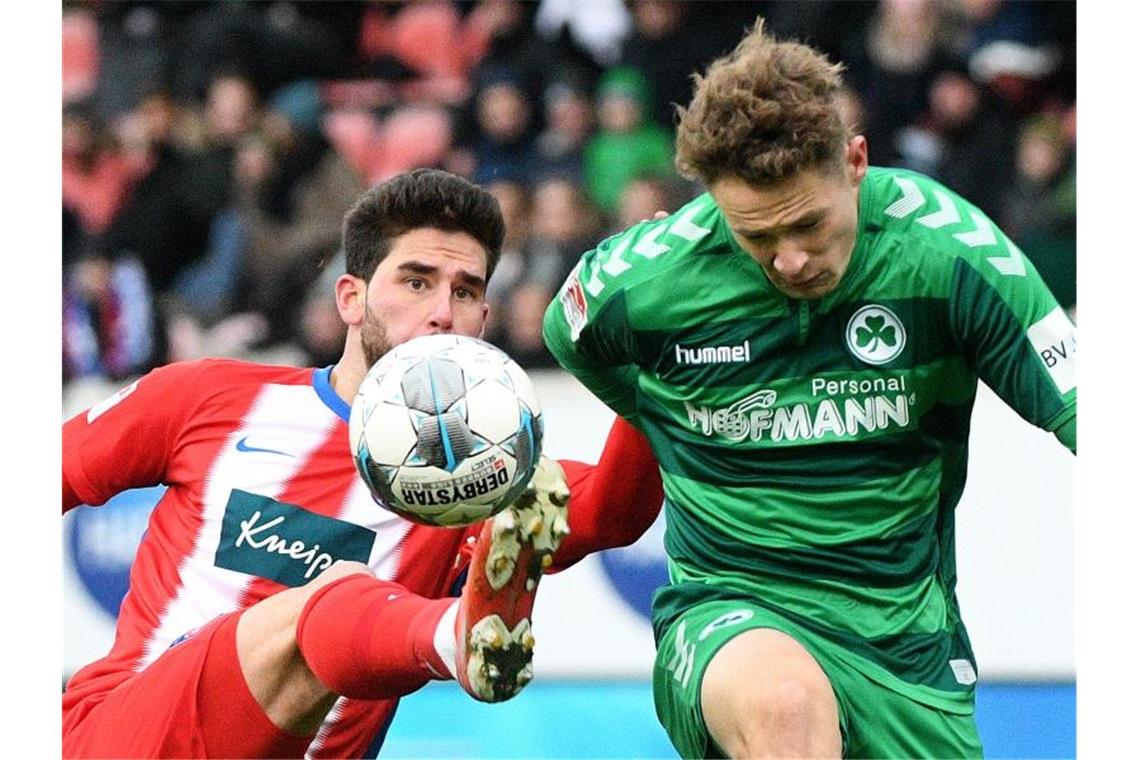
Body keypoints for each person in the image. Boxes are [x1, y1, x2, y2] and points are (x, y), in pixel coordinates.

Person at [543, 19, 1075, 760]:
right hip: (728, 611)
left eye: (808, 225)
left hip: (906, 642)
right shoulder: (648, 279)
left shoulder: (951, 254)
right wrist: (669, 414)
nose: (789, 261)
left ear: (855, 162)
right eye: (755, 236)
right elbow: (568, 334)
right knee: (786, 709)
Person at [63, 169, 664, 759]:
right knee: (333, 594)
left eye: (465, 291)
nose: (441, 312)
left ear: (483, 319)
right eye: (416, 281)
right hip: (126, 734)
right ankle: (454, 637)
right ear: (351, 298)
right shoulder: (208, 398)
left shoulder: (479, 477)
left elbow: (612, 514)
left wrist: (656, 350)